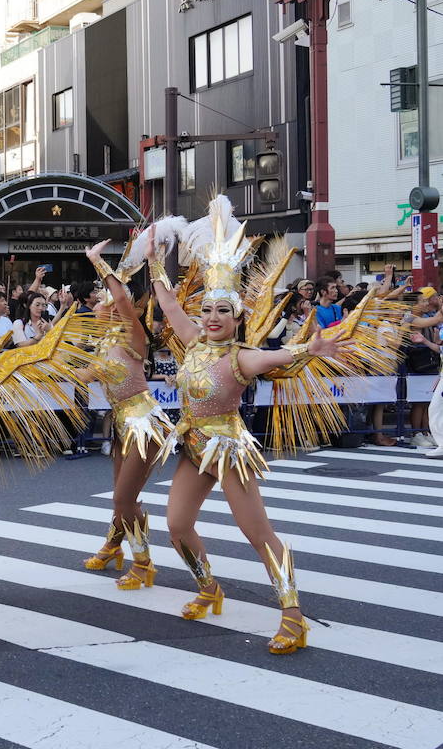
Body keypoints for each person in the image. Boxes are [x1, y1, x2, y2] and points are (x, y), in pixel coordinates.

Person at [146, 197, 376, 655]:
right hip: (192, 446)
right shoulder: (191, 343)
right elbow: (168, 302)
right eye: (208, 309)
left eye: (222, 312)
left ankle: (293, 614)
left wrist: (309, 350)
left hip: (227, 449)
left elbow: (278, 356)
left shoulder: (241, 356)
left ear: (237, 318)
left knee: (257, 533)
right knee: (176, 526)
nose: (211, 318)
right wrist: (153, 256)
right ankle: (208, 586)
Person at [77, 239, 176, 590]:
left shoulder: (135, 337)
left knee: (124, 498)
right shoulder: (101, 344)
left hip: (145, 423)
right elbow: (81, 377)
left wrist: (96, 260)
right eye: (100, 300)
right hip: (121, 423)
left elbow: (120, 298)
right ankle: (113, 545)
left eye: (105, 299)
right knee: (121, 494)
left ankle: (144, 563)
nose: (101, 303)